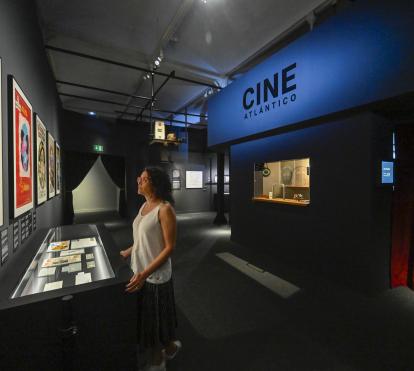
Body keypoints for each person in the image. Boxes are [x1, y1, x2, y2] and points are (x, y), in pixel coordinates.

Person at [120, 166, 181, 371]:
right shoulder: (144, 206)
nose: (138, 181)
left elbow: (169, 248)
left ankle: (157, 362)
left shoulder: (164, 209)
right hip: (140, 271)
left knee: (154, 323)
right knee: (153, 319)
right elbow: (141, 239)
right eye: (140, 178)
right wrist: (127, 252)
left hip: (154, 276)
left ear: (154, 184)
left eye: (144, 179)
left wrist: (145, 274)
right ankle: (171, 346)